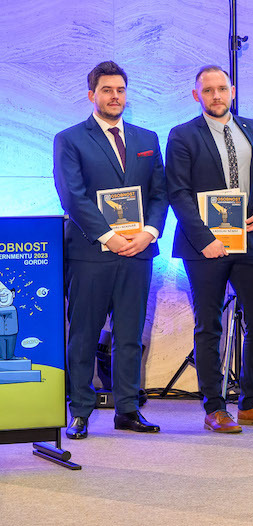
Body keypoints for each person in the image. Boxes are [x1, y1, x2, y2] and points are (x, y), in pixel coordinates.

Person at [52, 61, 168, 439]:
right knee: (84, 335)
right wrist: (109, 237)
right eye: (107, 90)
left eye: (120, 90)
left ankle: (128, 410)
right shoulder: (69, 139)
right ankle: (80, 411)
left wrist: (148, 233)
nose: (115, 96)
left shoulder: (147, 138)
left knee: (130, 335)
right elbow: (73, 196)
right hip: (90, 253)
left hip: (138, 252)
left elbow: (159, 193)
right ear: (92, 95)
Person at [165, 65, 253, 434]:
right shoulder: (182, 135)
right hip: (203, 246)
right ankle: (214, 407)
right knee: (209, 325)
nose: (216, 96)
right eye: (207, 90)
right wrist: (205, 238)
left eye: (222, 88)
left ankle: (252, 402)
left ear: (233, 91)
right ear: (197, 95)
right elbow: (178, 191)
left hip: (249, 240)